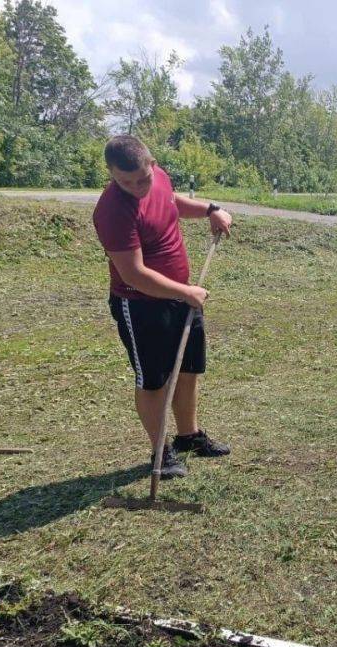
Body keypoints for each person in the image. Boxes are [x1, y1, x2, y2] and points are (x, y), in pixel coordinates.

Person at [92, 135, 233, 478]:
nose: (136, 187)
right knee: (154, 380)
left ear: (152, 164)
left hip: (182, 296)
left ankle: (189, 436)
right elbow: (135, 275)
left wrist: (210, 210)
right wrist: (185, 293)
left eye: (142, 179)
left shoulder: (160, 178)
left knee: (188, 369)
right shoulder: (111, 211)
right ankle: (160, 450)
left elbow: (172, 202)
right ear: (111, 174)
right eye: (124, 181)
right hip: (141, 306)